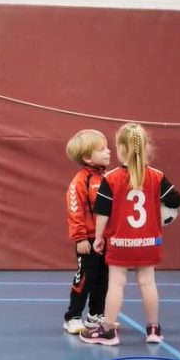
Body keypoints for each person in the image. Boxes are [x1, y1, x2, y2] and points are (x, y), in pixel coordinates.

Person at [81, 123, 180, 345]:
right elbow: (178, 201)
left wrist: (99, 238)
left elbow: (103, 213)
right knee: (148, 283)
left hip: (120, 241)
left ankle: (108, 330)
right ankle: (154, 329)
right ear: (145, 148)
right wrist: (171, 214)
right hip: (149, 241)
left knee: (116, 283)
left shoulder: (111, 178)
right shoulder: (156, 176)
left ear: (120, 149)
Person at [62, 129, 111, 334]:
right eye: (102, 149)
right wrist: (80, 237)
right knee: (85, 278)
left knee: (104, 279)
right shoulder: (81, 181)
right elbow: (75, 209)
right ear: (87, 157)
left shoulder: (109, 177)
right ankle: (72, 316)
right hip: (88, 241)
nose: (109, 152)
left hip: (106, 240)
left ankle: (95, 315)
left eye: (107, 147)